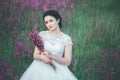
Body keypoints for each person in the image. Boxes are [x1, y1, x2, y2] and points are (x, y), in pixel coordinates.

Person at [20, 10, 77, 80]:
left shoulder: (66, 38)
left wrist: (51, 55)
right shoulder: (41, 35)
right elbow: (35, 55)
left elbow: (67, 61)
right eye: (46, 22)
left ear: (58, 20)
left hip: (58, 70)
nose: (49, 24)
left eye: (51, 21)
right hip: (40, 69)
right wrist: (42, 57)